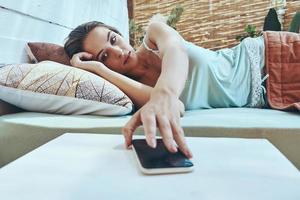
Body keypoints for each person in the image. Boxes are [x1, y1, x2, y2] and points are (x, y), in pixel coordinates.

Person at [63, 20, 266, 159]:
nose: (117, 51)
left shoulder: (154, 34)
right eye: (104, 56)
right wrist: (98, 69)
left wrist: (165, 93)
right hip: (270, 98)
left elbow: (175, 50)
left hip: (268, 57)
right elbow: (176, 106)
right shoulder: (132, 92)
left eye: (113, 39)